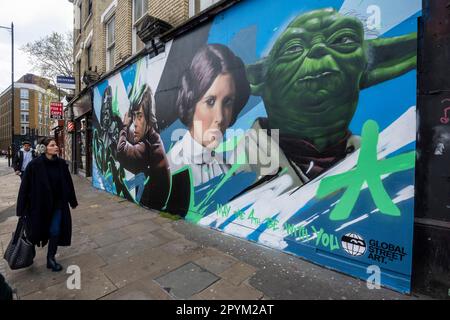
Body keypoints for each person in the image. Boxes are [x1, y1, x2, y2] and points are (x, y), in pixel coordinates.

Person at [167, 43, 250, 187]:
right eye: (210, 101)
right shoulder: (170, 171)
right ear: (191, 101)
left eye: (227, 102)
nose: (220, 118)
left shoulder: (225, 169)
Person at [16, 137, 78, 272]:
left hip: (58, 205)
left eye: (56, 145)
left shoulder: (61, 164)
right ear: (44, 148)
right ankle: (29, 253)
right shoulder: (34, 165)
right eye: (52, 145)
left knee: (55, 230)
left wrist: (72, 201)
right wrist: (21, 209)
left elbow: (68, 183)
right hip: (40, 206)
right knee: (36, 232)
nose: (56, 147)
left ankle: (51, 258)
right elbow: (24, 188)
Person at [116, 84, 170, 210]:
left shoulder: (149, 145)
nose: (134, 123)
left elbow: (121, 151)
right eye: (133, 116)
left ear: (149, 117)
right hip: (153, 202)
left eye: (139, 116)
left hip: (154, 205)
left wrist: (124, 126)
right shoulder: (152, 137)